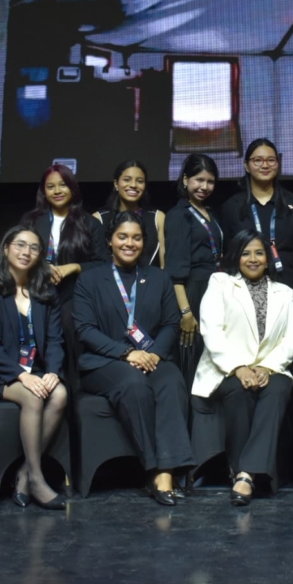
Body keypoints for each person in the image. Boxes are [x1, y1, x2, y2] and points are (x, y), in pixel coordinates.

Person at [74, 212, 195, 506]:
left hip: (151, 356)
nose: (130, 243)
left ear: (144, 242)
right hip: (104, 363)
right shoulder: (89, 280)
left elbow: (171, 323)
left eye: (137, 238)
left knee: (171, 381)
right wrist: (127, 353)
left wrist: (152, 353)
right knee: (134, 384)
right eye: (123, 237)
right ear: (110, 241)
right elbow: (85, 329)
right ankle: (152, 467)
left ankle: (165, 473)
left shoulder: (159, 278)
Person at [0, 225, 68, 510]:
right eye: (20, 244)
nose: (26, 252)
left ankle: (24, 472)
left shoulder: (46, 293)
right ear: (6, 248)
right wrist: (20, 376)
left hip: (35, 370)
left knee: (60, 394)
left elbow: (55, 340)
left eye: (33, 247)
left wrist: (53, 371)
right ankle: (37, 479)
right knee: (33, 396)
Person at [191, 230, 293, 505]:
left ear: (268, 258)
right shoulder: (220, 283)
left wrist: (267, 367)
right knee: (239, 391)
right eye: (246, 253)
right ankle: (249, 472)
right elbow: (212, 330)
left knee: (277, 391)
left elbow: (292, 339)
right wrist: (238, 367)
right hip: (225, 366)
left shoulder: (285, 292)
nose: (253, 259)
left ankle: (244, 474)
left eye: (259, 253)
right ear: (236, 257)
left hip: (271, 368)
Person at [20, 164, 109, 380]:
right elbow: (16, 255)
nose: (57, 191)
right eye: (51, 187)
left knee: (72, 349)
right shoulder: (30, 221)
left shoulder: (89, 223)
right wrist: (41, 266)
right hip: (37, 293)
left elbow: (103, 264)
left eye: (63, 185)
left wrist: (74, 267)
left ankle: (74, 396)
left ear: (72, 188)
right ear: (44, 191)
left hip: (74, 296)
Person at [220, 139, 293, 303]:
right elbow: (228, 253)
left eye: (271, 160)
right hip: (246, 288)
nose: (265, 165)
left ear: (278, 163)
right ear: (246, 165)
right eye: (258, 160)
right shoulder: (232, 206)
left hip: (289, 284)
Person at [164, 153, 224, 388]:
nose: (204, 187)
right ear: (185, 179)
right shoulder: (178, 215)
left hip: (213, 288)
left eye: (210, 181)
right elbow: (175, 272)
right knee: (192, 360)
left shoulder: (209, 212)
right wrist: (186, 313)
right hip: (192, 292)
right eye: (199, 180)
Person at [94, 159, 165, 268]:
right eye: (127, 180)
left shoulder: (158, 218)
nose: (133, 185)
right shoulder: (98, 219)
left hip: (150, 278)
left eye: (140, 181)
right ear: (116, 184)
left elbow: (164, 264)